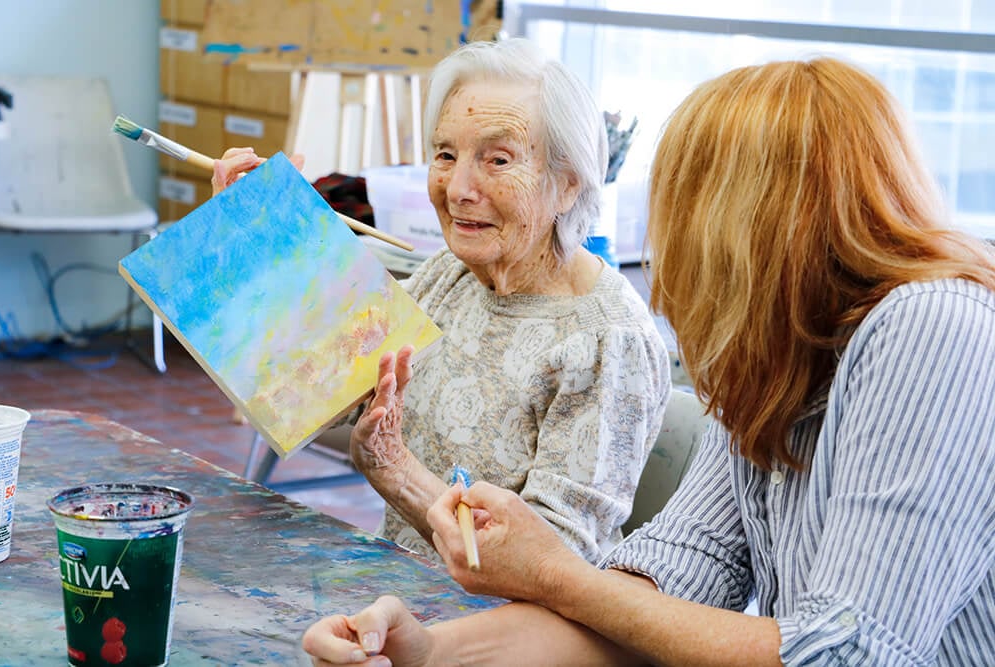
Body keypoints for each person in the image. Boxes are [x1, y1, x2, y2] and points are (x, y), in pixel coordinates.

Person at [301, 56, 995, 666]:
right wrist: (432, 652)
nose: (671, 243)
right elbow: (675, 576)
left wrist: (555, 575)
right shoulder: (774, 349)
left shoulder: (934, 324)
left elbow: (848, 651)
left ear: (759, 217)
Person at [211, 38, 669, 564]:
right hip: (406, 585)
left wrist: (396, 470)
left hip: (501, 614)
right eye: (446, 155)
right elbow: (313, 386)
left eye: (497, 159)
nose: (457, 189)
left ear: (567, 184)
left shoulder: (607, 340)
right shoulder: (453, 274)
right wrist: (250, 243)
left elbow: (551, 563)